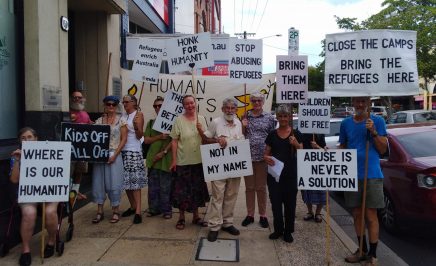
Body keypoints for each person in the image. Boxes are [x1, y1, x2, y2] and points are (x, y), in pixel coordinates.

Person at [339, 97, 387, 266]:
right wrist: (325, 154)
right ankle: (361, 250)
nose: (360, 105)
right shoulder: (345, 123)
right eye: (357, 101)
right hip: (351, 175)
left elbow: (383, 148)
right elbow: (343, 147)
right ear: (352, 102)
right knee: (357, 214)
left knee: (371, 215)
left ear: (368, 102)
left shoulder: (378, 121)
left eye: (363, 101)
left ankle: (373, 255)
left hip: (372, 174)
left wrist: (374, 132)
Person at [9, 128, 59, 266]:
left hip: (49, 190)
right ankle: (25, 249)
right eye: (23, 138)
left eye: (29, 137)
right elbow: (14, 180)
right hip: (29, 192)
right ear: (20, 141)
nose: (27, 140)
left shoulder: (48, 152)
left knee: (50, 212)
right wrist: (18, 161)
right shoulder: (16, 155)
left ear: (36, 138)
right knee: (29, 213)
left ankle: (51, 241)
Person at [200, 98, 244, 242]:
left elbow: (241, 141)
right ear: (222, 108)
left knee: (232, 195)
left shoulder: (238, 122)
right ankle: (214, 227)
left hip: (234, 166)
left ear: (236, 110)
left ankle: (227, 223)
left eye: (232, 108)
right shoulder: (216, 123)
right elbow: (205, 140)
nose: (230, 110)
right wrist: (217, 140)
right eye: (227, 108)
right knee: (218, 197)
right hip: (219, 167)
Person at [169, 95, 210, 230]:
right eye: (187, 104)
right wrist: (174, 160)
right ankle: (181, 218)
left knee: (197, 190)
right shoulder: (178, 120)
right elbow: (174, 140)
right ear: (183, 106)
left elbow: (206, 139)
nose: (190, 106)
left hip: (198, 160)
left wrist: (201, 130)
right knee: (182, 191)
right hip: (183, 161)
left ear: (195, 103)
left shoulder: (202, 119)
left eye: (192, 103)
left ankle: (196, 217)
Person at [264, 105, 302, 243]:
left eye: (286, 116)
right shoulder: (272, 134)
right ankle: (278, 229)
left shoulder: (296, 133)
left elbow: (303, 153)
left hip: (291, 176)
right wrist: (266, 158)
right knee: (275, 204)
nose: (283, 118)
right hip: (275, 176)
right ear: (277, 117)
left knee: (290, 205)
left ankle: (288, 231)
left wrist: (296, 144)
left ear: (289, 117)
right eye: (280, 116)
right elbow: (266, 154)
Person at [241, 92, 275, 228]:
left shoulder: (269, 118)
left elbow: (272, 137)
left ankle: (263, 215)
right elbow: (241, 135)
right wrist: (243, 125)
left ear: (263, 102)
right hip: (247, 157)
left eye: (259, 101)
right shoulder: (245, 116)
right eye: (253, 101)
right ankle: (250, 214)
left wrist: (270, 155)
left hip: (262, 158)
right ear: (251, 102)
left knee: (261, 188)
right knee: (249, 188)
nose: (256, 103)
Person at [91, 96, 127, 224]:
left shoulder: (121, 121)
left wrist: (115, 155)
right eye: (108, 104)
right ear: (105, 105)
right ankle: (99, 211)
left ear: (116, 106)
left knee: (114, 183)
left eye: (113, 104)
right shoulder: (99, 121)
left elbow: (123, 139)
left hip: (114, 155)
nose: (110, 106)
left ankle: (115, 210)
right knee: (98, 182)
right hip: (100, 155)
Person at [143, 96, 173, 219]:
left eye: (160, 105)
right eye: (155, 106)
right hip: (152, 159)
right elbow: (146, 140)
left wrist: (164, 152)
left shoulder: (173, 123)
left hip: (166, 159)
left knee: (166, 187)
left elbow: (175, 140)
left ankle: (167, 210)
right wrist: (159, 137)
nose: (157, 108)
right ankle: (154, 209)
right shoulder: (151, 123)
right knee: (153, 187)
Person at [120, 94, 147, 224]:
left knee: (135, 182)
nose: (124, 104)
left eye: (126, 102)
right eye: (123, 102)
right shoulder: (123, 116)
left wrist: (136, 126)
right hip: (122, 151)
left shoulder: (139, 115)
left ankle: (138, 211)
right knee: (126, 181)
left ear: (134, 103)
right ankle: (132, 206)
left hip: (133, 151)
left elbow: (140, 136)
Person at [69, 90, 93, 201]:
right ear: (71, 98)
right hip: (70, 149)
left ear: (82, 99)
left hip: (83, 149)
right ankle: (67, 193)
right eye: (75, 97)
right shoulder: (67, 112)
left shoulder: (84, 113)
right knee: (69, 172)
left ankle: (75, 192)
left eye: (79, 97)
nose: (77, 99)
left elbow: (90, 124)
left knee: (79, 171)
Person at [301, 133, 327, 223]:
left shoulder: (321, 133)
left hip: (319, 165)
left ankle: (318, 213)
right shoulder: (301, 132)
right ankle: (310, 211)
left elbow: (325, 150)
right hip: (306, 163)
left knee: (321, 189)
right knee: (306, 189)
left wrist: (317, 147)